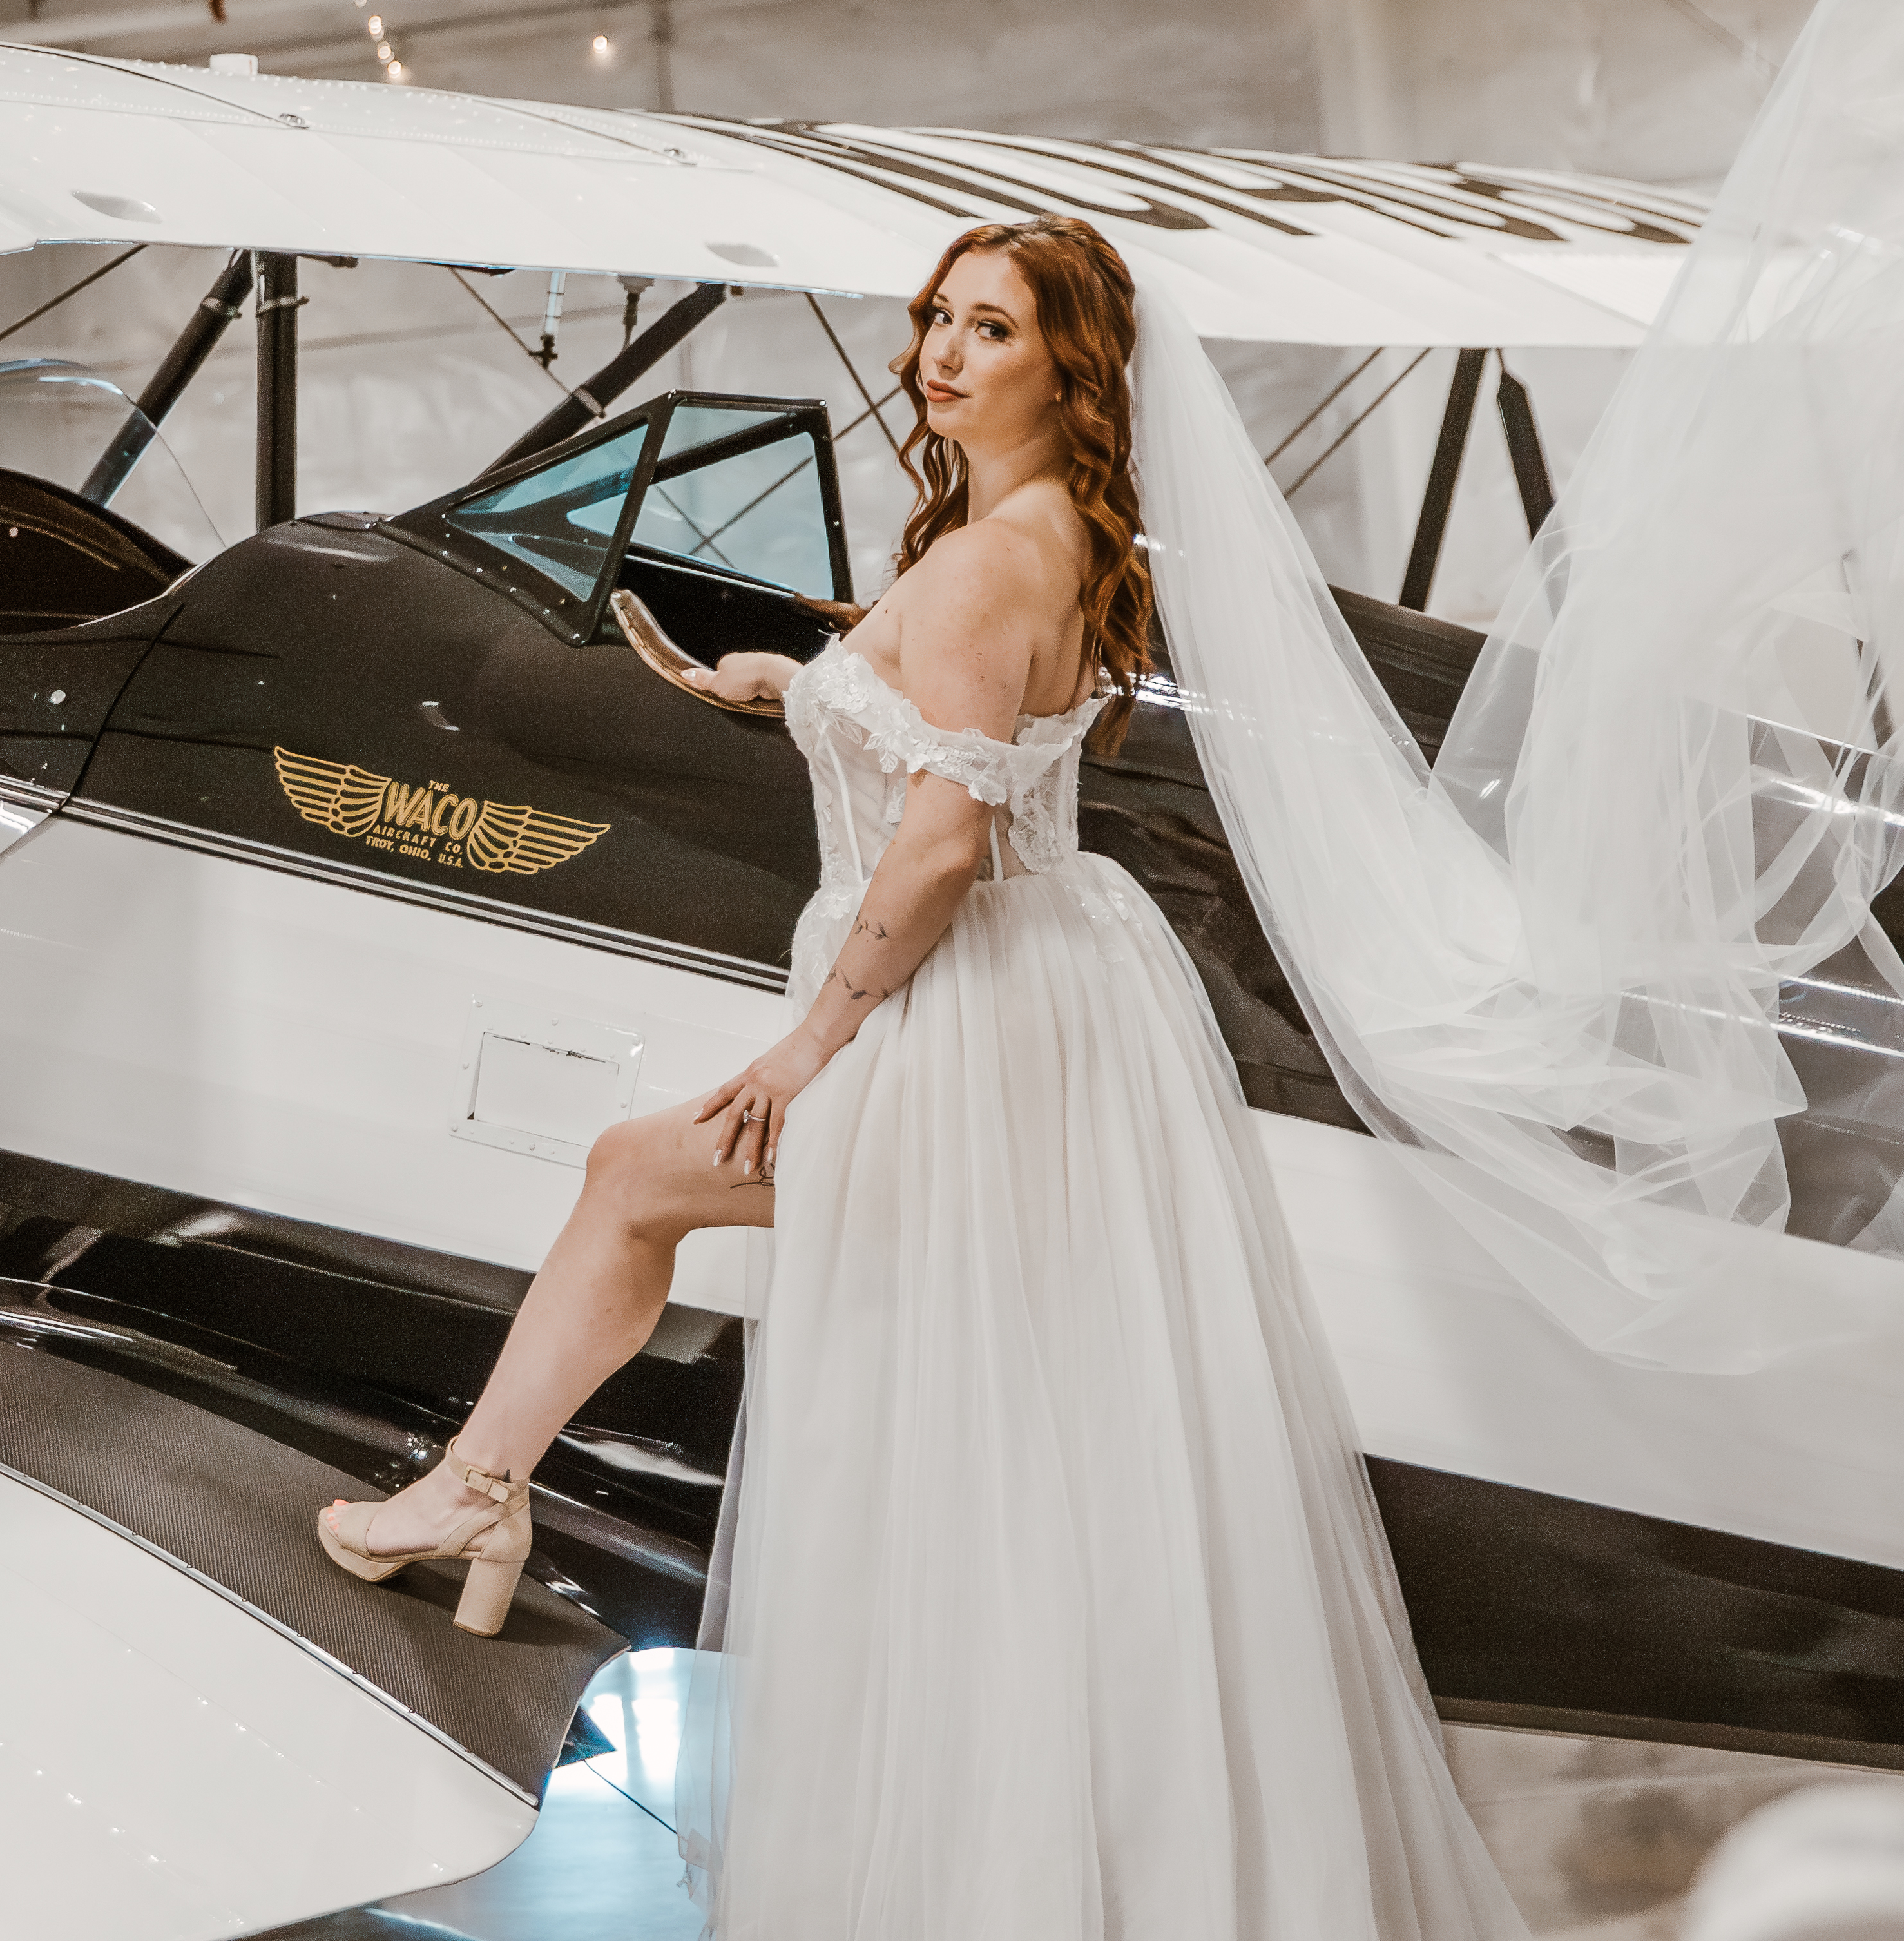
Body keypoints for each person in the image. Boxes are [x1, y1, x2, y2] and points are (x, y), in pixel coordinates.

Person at [316, 215, 1530, 1936]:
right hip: (1062, 986)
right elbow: (955, 730)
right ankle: (1051, 1801)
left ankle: (475, 1498)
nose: (943, 356)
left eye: (994, 332)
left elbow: (945, 842)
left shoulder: (979, 561)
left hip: (954, 998)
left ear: (1069, 366)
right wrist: (781, 687)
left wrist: (808, 1051)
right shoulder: (1054, 534)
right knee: (1018, 1412)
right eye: (936, 321)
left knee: (637, 1176)